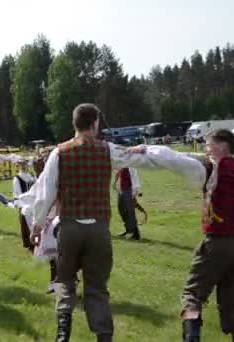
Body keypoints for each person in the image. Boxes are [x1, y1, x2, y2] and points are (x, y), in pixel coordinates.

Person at [30, 103, 160, 342]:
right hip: (99, 229)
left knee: (65, 280)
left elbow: (45, 194)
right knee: (97, 287)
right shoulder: (107, 149)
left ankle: (62, 332)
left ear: (74, 124)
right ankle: (103, 336)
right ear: (95, 124)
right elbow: (135, 157)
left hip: (69, 227)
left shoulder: (59, 152)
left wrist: (37, 225)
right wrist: (141, 149)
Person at [169, 129, 234, 342]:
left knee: (192, 296)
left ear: (221, 146)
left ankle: (191, 339)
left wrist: (142, 151)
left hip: (218, 243)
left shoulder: (210, 168)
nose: (206, 150)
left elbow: (175, 159)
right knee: (230, 306)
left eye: (208, 145)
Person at [13, 159, 36, 252]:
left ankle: (37, 242)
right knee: (27, 225)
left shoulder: (32, 176)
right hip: (25, 205)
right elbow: (17, 193)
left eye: (25, 164)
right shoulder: (17, 178)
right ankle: (30, 244)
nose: (23, 166)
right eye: (21, 164)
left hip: (34, 204)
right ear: (18, 166)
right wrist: (22, 205)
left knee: (35, 224)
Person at [114, 167, 142, 240]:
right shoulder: (121, 163)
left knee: (130, 211)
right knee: (121, 209)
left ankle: (136, 234)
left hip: (129, 190)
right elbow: (118, 173)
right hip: (121, 190)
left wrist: (135, 191)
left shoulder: (131, 165)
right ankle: (128, 230)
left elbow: (135, 176)